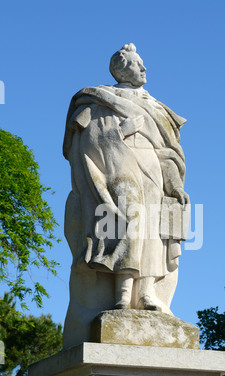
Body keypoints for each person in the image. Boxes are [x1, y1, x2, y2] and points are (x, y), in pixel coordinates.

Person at [62, 43, 188, 345]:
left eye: (143, 64)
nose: (143, 69)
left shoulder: (157, 107)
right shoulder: (96, 100)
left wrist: (176, 185)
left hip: (153, 172)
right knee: (127, 226)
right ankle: (121, 295)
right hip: (118, 167)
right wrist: (121, 132)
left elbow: (168, 153)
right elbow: (84, 142)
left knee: (153, 234)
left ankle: (146, 294)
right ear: (120, 68)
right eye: (137, 64)